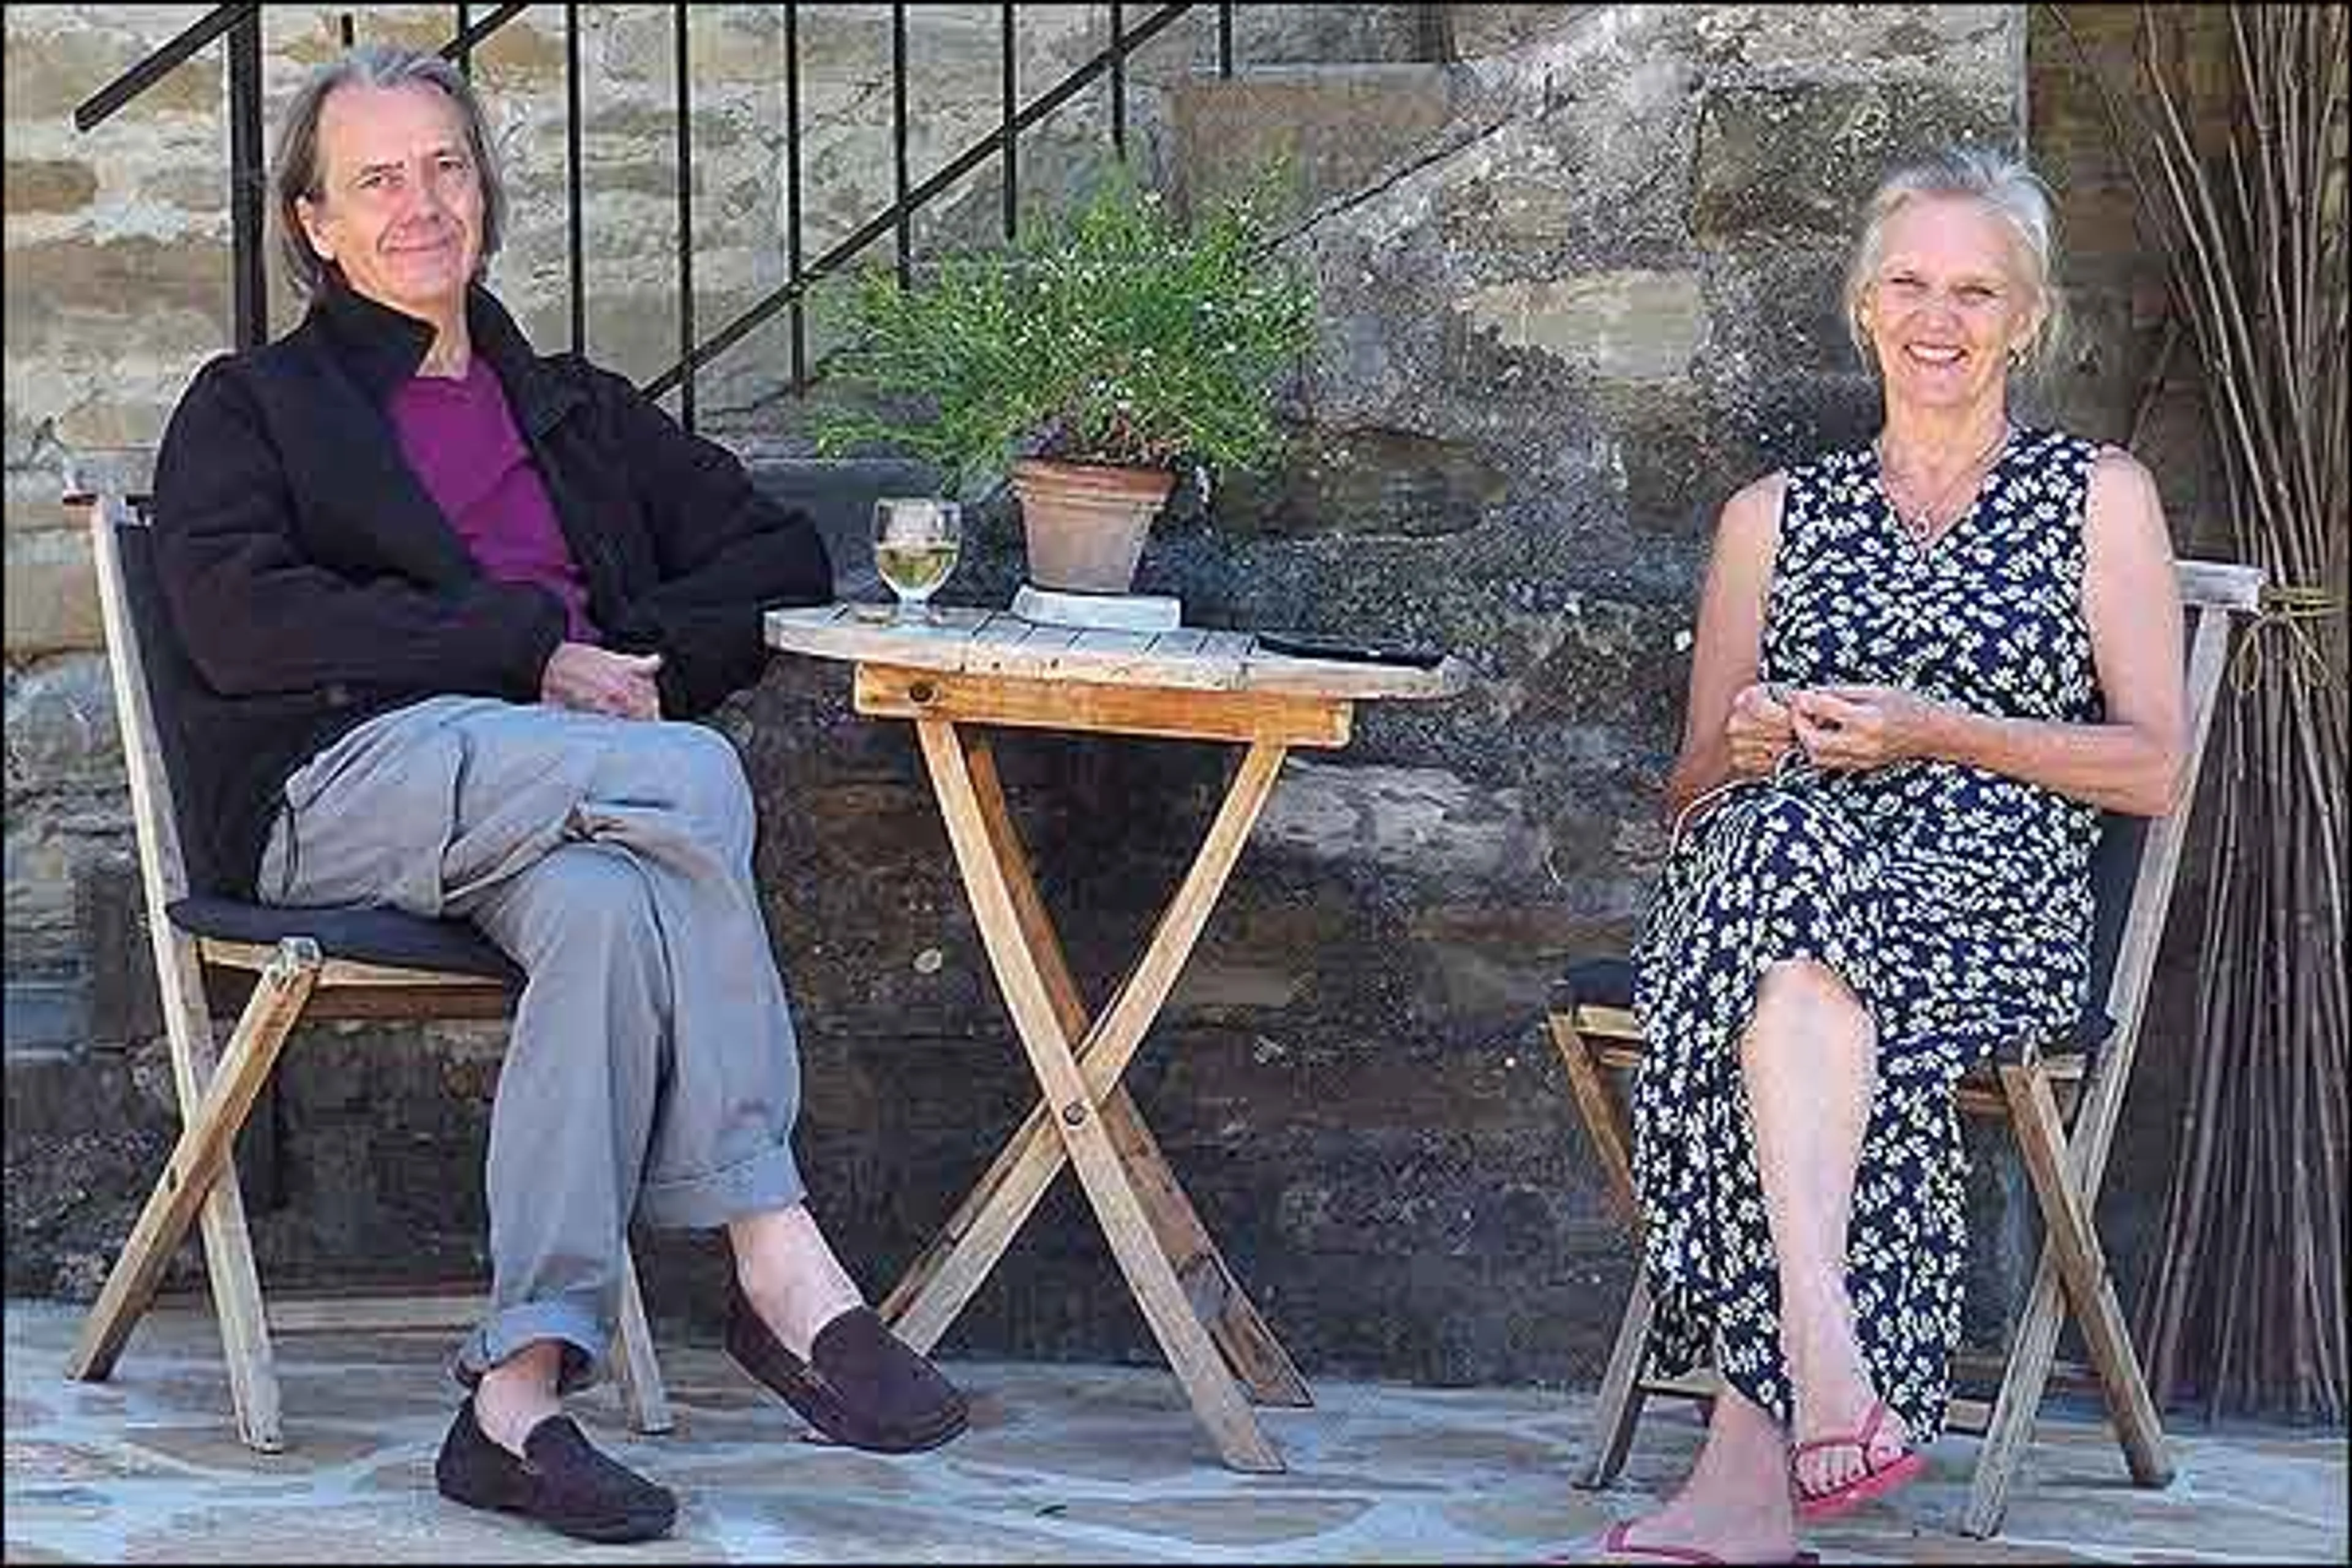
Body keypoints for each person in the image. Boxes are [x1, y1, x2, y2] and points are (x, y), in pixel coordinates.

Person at [149, 44, 966, 1545]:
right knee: (693, 777)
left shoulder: (574, 409)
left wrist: (633, 663)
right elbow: (239, 626)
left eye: (446, 167)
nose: (420, 205)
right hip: (340, 784)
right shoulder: (255, 406)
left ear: (487, 191)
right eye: (377, 180)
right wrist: (532, 646)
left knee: (605, 905)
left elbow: (775, 551)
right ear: (313, 224)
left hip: (564, 798)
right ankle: (775, 1254)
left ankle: (517, 1393)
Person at [1601, 145, 2186, 1563]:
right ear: (1866, 304)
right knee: (1778, 872)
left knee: (1750, 981)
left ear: (2029, 318)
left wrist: (1935, 730)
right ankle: (1827, 1347)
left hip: (1991, 908)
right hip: (1778, 886)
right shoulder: (1769, 519)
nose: (1943, 316)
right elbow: (1690, 792)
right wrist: (1740, 750)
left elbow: (2154, 764)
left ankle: (1754, 1456)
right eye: (1913, 282)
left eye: (1978, 290)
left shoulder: (2099, 496)